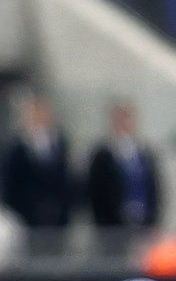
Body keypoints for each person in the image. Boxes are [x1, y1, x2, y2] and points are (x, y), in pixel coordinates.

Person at [1, 93, 75, 232]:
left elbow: (65, 180)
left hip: (58, 218)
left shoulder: (59, 143)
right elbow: (11, 184)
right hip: (27, 217)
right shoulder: (17, 148)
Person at [85, 103, 162, 234]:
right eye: (120, 120)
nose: (124, 124)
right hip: (113, 226)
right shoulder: (103, 155)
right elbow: (96, 192)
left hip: (143, 222)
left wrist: (153, 219)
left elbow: (154, 188)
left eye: (127, 119)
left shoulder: (144, 154)